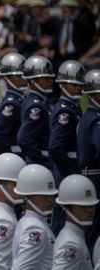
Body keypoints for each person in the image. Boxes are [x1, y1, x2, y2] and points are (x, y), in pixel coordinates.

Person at [49, 60, 85, 235]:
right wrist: (69, 172)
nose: (79, 88)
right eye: (74, 84)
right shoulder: (65, 111)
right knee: (62, 218)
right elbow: (56, 147)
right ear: (63, 85)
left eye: (80, 84)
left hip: (68, 169)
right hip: (65, 172)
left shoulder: (73, 108)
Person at [11, 164, 58, 270]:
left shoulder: (28, 222)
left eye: (51, 195)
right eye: (44, 196)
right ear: (28, 196)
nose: (50, 200)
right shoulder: (36, 229)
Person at [52, 174, 98, 269]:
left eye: (92, 205)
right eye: (83, 206)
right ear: (67, 208)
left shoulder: (75, 236)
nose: (89, 210)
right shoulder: (71, 243)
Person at [17, 55, 56, 167]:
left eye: (51, 77)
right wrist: (44, 160)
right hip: (39, 164)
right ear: (33, 80)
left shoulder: (39, 101)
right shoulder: (36, 105)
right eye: (45, 78)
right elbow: (24, 139)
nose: (50, 81)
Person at [77, 69, 100, 250]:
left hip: (90, 176)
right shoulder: (96, 120)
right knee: (94, 230)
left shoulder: (89, 116)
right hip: (96, 178)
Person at [0, 52, 27, 157]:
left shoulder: (19, 99)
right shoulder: (11, 103)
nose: (24, 79)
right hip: (16, 155)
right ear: (7, 78)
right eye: (19, 76)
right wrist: (8, 155)